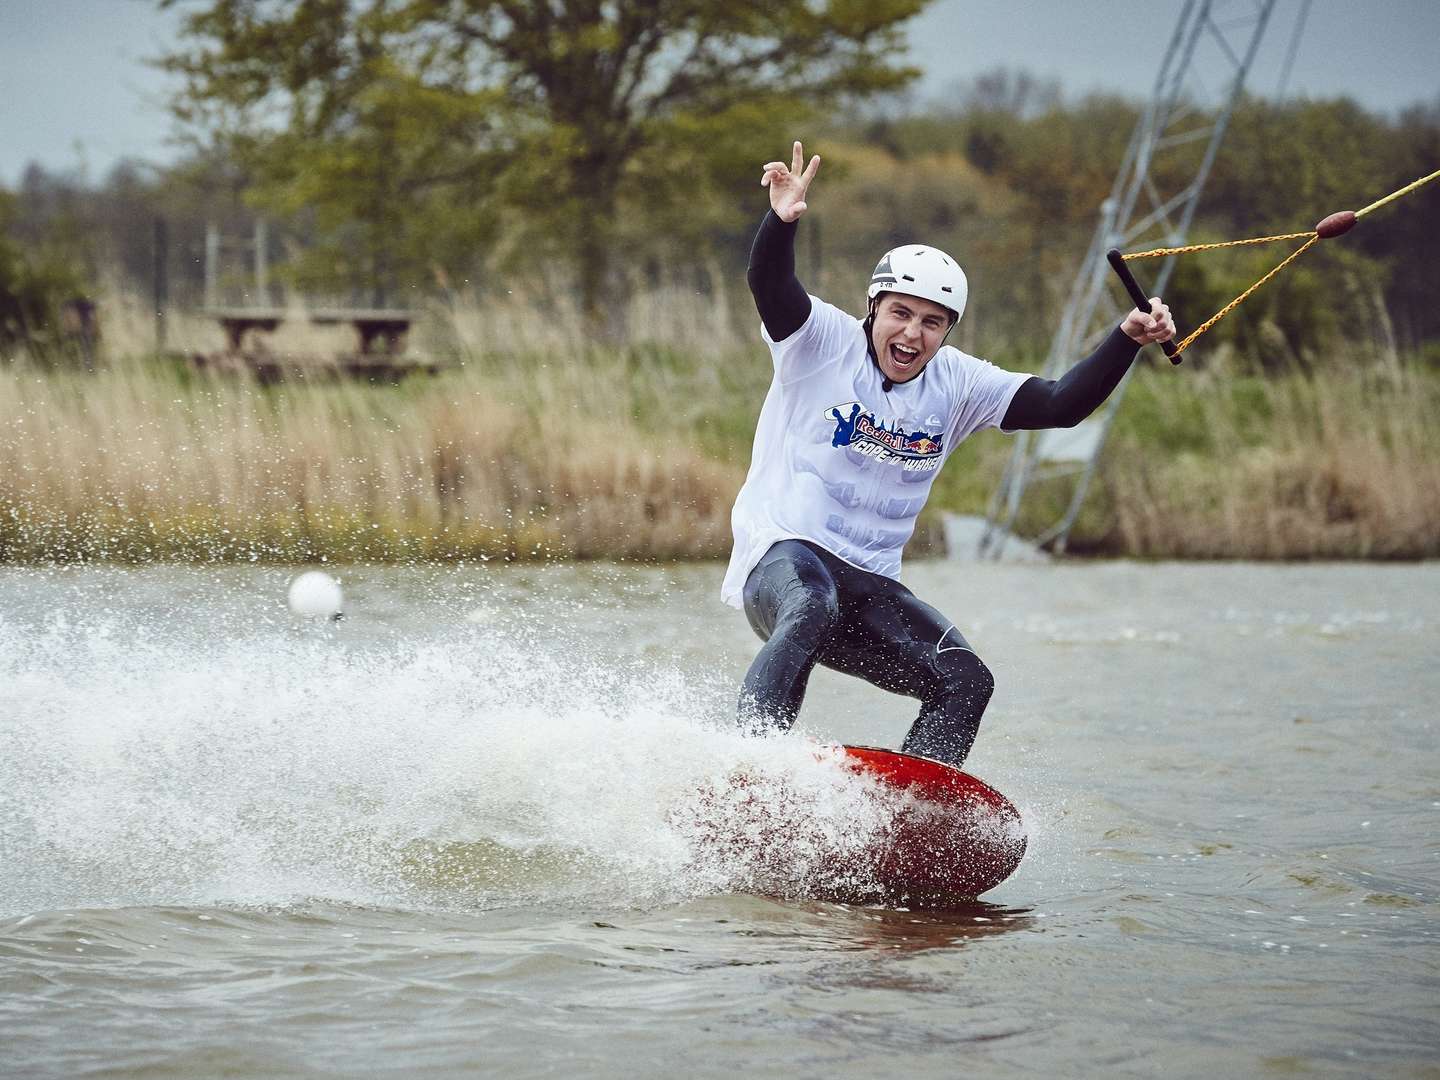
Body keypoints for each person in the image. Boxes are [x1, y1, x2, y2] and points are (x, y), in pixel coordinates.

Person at [723, 141, 1175, 768]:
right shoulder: (818, 340)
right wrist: (783, 221)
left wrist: (1125, 338)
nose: (911, 333)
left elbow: (1060, 403)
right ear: (873, 308)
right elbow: (769, 282)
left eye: (932, 323)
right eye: (900, 314)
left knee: (966, 679)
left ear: (947, 332)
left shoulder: (959, 383)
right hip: (781, 559)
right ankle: (752, 770)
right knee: (811, 605)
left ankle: (908, 818)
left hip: (870, 585)